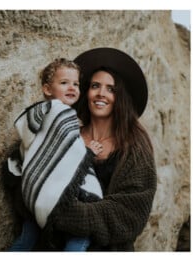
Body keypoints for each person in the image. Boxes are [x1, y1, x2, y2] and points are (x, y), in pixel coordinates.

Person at [48, 47, 156, 251]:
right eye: (95, 86)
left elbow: (130, 211)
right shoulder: (69, 136)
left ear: (120, 97)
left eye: (110, 89)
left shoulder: (134, 147)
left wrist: (69, 214)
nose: (100, 94)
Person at [6, 58, 103, 251]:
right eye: (64, 83)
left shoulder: (39, 113)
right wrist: (89, 152)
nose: (72, 87)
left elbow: (43, 152)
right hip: (57, 197)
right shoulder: (61, 113)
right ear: (48, 90)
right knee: (80, 236)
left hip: (34, 194)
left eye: (76, 84)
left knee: (26, 240)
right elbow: (70, 156)